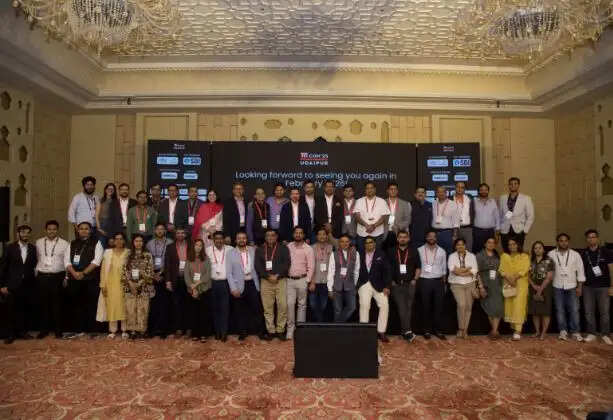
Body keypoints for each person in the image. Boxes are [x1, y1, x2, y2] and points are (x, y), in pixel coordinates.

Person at [64, 222, 104, 339]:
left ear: (90, 230)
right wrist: (74, 273)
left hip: (90, 279)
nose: (84, 231)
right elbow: (67, 261)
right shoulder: (72, 243)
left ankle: (92, 331)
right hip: (74, 279)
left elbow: (96, 261)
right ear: (78, 230)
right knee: (76, 305)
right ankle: (78, 330)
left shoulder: (97, 243)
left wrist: (83, 273)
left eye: (86, 229)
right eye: (81, 229)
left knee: (91, 305)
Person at [227, 231, 268, 340]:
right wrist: (233, 288)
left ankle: (261, 332)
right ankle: (242, 332)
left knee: (257, 309)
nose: (241, 240)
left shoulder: (253, 250)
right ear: (236, 240)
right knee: (240, 311)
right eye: (239, 238)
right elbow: (229, 273)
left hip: (252, 283)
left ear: (247, 239)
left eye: (244, 238)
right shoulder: (230, 253)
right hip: (239, 285)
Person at [0, 225, 37, 344]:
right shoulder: (10, 247)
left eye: (27, 232)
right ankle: (10, 334)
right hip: (12, 284)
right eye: (23, 232)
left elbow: (33, 265)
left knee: (24, 309)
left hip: (27, 284)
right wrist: (2, 285)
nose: (25, 234)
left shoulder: (33, 248)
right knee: (10, 310)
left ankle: (22, 332)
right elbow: (3, 267)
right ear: (18, 234)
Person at [35, 220, 69, 339]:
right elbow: (37, 258)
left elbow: (67, 261)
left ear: (57, 230)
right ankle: (43, 330)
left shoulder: (64, 244)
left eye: (54, 229)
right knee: (43, 305)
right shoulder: (38, 242)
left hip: (57, 277)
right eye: (49, 229)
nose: (51, 231)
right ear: (45, 230)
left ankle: (58, 330)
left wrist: (66, 277)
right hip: (42, 276)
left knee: (57, 305)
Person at [548, 233, 585, 342]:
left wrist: (580, 287)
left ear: (568, 242)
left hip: (572, 285)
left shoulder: (575, 255)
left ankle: (575, 331)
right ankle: (563, 331)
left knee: (574, 309)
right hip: (557, 285)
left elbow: (580, 271)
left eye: (565, 241)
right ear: (557, 242)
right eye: (561, 240)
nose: (563, 243)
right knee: (560, 310)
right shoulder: (551, 254)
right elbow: (548, 270)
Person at [255, 229, 290, 339]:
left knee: (283, 306)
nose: (270, 237)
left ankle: (280, 330)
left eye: (273, 235)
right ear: (265, 237)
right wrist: (267, 276)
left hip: (281, 280)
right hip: (266, 281)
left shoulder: (283, 248)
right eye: (268, 235)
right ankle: (271, 330)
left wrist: (277, 276)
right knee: (268, 307)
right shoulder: (259, 249)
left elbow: (287, 263)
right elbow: (258, 266)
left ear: (276, 237)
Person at [387, 230, 420, 342]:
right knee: (402, 308)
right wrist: (391, 281)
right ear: (397, 239)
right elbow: (388, 268)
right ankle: (408, 331)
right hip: (396, 285)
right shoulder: (391, 251)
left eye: (405, 237)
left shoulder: (414, 251)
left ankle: (404, 332)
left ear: (408, 239)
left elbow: (418, 267)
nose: (402, 239)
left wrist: (415, 279)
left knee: (408, 308)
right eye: (400, 237)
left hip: (410, 284)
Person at [581, 229, 613, 345]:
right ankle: (592, 333)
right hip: (588, 287)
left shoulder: (606, 252)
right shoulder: (583, 253)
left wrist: (612, 286)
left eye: (593, 237)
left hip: (604, 287)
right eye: (589, 237)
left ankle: (605, 334)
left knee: (604, 312)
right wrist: (580, 286)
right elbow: (580, 271)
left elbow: (611, 270)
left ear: (597, 239)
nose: (591, 239)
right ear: (586, 240)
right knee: (589, 312)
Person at [357, 236, 391, 342]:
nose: (369, 244)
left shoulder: (381, 254)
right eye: (366, 243)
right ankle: (364, 331)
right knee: (364, 306)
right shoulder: (359, 254)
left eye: (371, 242)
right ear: (364, 245)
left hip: (379, 285)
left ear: (375, 243)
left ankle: (381, 331)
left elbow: (387, 271)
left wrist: (387, 286)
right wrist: (357, 284)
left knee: (384, 305)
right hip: (364, 284)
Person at [122, 234, 154, 339]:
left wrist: (140, 282)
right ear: (133, 242)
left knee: (142, 309)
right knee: (131, 309)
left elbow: (150, 272)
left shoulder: (148, 255)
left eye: (140, 241)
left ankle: (142, 331)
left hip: (144, 287)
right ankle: (132, 331)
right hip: (130, 287)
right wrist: (131, 284)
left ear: (143, 243)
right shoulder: (128, 254)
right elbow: (124, 271)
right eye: (136, 241)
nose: (138, 243)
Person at [417, 230, 447, 340]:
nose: (431, 238)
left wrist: (444, 283)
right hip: (424, 281)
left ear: (436, 238)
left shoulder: (442, 251)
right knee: (426, 307)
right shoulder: (419, 250)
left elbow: (444, 268)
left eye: (433, 236)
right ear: (426, 237)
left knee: (438, 307)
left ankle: (438, 330)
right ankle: (426, 330)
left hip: (438, 281)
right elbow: (417, 266)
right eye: (429, 236)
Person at [286, 227, 314, 340]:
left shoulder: (308, 249)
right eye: (296, 233)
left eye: (300, 233)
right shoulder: (288, 246)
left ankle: (300, 330)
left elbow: (311, 266)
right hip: (289, 280)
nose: (298, 235)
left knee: (302, 305)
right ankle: (290, 329)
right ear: (293, 234)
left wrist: (307, 280)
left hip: (302, 279)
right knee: (289, 304)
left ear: (303, 235)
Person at [499, 237, 531, 340]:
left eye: (514, 244)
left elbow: (525, 269)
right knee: (510, 306)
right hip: (508, 284)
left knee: (519, 306)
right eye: (510, 244)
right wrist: (509, 278)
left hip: (521, 284)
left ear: (518, 245)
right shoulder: (504, 256)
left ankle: (518, 330)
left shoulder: (524, 256)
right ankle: (514, 329)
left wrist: (514, 278)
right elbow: (501, 270)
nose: (512, 246)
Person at [99, 232, 129, 339]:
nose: (119, 241)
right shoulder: (107, 253)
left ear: (124, 240)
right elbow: (103, 270)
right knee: (112, 306)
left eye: (121, 239)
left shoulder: (128, 252)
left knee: (124, 306)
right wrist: (103, 285)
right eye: (116, 239)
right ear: (113, 241)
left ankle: (125, 330)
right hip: (110, 284)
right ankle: (112, 331)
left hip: (125, 284)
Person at [146, 223, 173, 338]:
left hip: (166, 274)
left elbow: (171, 260)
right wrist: (153, 274)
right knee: (153, 303)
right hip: (152, 274)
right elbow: (147, 260)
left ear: (165, 231)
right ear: (154, 231)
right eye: (158, 229)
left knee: (165, 303)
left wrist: (161, 272)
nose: (160, 231)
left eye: (162, 229)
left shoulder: (170, 243)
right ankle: (153, 329)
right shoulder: (149, 244)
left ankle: (164, 330)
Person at [448, 238, 478, 339]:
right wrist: (467, 269)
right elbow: (453, 270)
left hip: (470, 283)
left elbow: (474, 270)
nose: (460, 246)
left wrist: (461, 271)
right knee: (462, 305)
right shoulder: (451, 256)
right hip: (456, 284)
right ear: (455, 246)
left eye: (462, 244)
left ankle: (465, 330)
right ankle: (461, 328)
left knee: (468, 307)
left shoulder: (472, 256)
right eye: (458, 244)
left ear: (465, 245)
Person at [206, 231, 233, 341]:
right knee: (215, 308)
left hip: (225, 283)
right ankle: (217, 332)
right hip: (212, 283)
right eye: (216, 238)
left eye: (221, 238)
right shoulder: (207, 250)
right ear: (213, 240)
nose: (219, 240)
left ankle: (224, 332)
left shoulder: (230, 249)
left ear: (224, 239)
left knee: (225, 308)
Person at [326, 234, 360, 322]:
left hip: (350, 286)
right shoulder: (334, 254)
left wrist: (354, 285)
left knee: (352, 308)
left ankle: (337, 325)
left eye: (347, 241)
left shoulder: (356, 254)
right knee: (337, 310)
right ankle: (338, 328)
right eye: (342, 241)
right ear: (339, 243)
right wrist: (330, 289)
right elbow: (331, 272)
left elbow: (356, 271)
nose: (345, 243)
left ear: (350, 242)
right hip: (337, 285)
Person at [184, 238, 212, 342]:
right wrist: (192, 288)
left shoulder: (206, 259)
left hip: (204, 289)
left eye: (200, 245)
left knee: (204, 313)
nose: (198, 247)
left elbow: (208, 274)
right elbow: (186, 275)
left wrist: (197, 284)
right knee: (193, 313)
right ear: (193, 246)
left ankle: (204, 334)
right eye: (196, 245)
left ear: (202, 247)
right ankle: (195, 334)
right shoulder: (188, 259)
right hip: (192, 290)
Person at [164, 226, 190, 337]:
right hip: (175, 279)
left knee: (188, 304)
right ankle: (178, 328)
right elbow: (167, 265)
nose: (180, 235)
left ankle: (188, 327)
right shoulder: (170, 247)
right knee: (176, 304)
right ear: (175, 235)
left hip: (188, 279)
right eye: (178, 233)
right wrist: (168, 281)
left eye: (182, 233)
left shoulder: (191, 246)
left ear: (185, 234)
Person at [476, 237, 504, 340]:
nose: (491, 244)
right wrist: (481, 287)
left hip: (497, 284)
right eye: (489, 242)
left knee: (498, 308)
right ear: (485, 244)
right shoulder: (479, 256)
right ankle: (495, 331)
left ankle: (494, 331)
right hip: (485, 285)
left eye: (493, 243)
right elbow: (476, 272)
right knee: (489, 308)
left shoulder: (497, 256)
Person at [499, 177, 534, 253]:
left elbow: (530, 216)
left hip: (519, 230)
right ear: (508, 185)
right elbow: (500, 215)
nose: (513, 185)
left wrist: (525, 231)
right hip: (505, 230)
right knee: (506, 252)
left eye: (515, 184)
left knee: (518, 252)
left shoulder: (526, 198)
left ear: (518, 185)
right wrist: (500, 228)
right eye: (511, 184)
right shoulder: (503, 198)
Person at [528, 241, 554, 340]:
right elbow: (527, 275)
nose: (537, 250)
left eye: (540, 248)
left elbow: (549, 277)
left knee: (545, 312)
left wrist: (541, 289)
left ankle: (543, 332)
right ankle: (537, 331)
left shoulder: (549, 260)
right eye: (535, 248)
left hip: (546, 287)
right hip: (533, 287)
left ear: (543, 249)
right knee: (535, 311)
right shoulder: (530, 260)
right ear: (533, 250)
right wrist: (534, 286)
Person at [354, 182, 390, 252]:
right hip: (362, 233)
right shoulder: (359, 201)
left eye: (371, 188)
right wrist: (366, 225)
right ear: (365, 190)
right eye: (367, 188)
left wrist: (374, 226)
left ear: (375, 189)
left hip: (377, 233)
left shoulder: (382, 201)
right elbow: (357, 217)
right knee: (362, 253)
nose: (369, 190)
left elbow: (384, 217)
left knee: (377, 254)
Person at [309, 228, 333, 322]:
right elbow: (310, 266)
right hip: (314, 281)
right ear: (316, 236)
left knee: (324, 305)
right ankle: (317, 324)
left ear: (327, 236)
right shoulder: (311, 248)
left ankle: (320, 324)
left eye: (324, 234)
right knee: (313, 304)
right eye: (320, 234)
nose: (322, 236)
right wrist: (312, 281)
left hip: (326, 281)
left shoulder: (331, 247)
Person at [472, 183, 500, 254]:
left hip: (490, 232)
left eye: (485, 190)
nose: (483, 191)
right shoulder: (474, 201)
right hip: (478, 231)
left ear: (488, 191)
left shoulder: (493, 202)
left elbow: (497, 217)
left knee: (490, 251)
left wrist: (497, 232)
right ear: (478, 191)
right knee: (477, 251)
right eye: (481, 190)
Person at [383, 182, 411, 251]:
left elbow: (408, 220)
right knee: (384, 253)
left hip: (398, 233)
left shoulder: (405, 203)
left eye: (395, 189)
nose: (393, 191)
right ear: (387, 191)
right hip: (384, 232)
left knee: (396, 254)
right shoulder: (382, 202)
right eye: (391, 189)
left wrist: (398, 226)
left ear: (397, 191)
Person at [432, 186, 459, 255]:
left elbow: (456, 221)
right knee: (436, 254)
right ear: (436, 193)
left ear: (446, 193)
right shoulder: (433, 203)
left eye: (442, 192)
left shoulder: (452, 204)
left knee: (448, 253)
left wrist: (455, 235)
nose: (441, 193)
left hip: (447, 233)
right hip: (435, 233)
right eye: (438, 192)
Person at [95, 183, 122, 248]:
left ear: (114, 191)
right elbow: (96, 215)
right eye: (108, 188)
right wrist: (99, 228)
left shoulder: (117, 201)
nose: (110, 190)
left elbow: (118, 217)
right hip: (102, 226)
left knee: (111, 247)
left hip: (112, 227)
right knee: (101, 247)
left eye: (112, 189)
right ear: (105, 190)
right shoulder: (101, 200)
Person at [452, 182, 475, 252]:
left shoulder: (470, 198)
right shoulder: (450, 199)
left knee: (468, 250)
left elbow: (473, 212)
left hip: (468, 229)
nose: (460, 189)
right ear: (455, 188)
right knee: (455, 251)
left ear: (465, 189)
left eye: (462, 187)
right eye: (458, 187)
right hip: (454, 230)